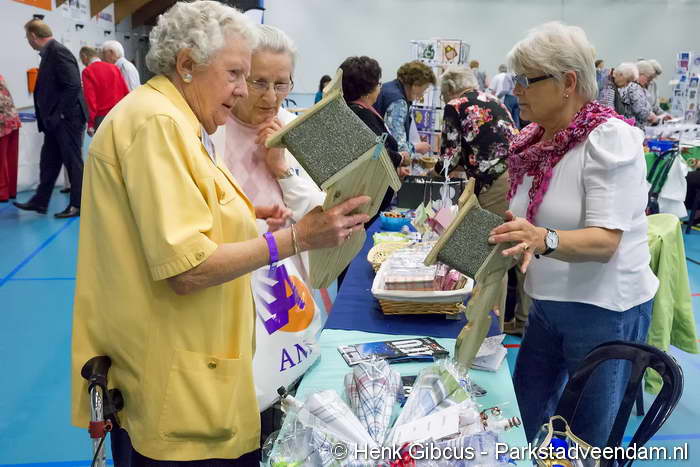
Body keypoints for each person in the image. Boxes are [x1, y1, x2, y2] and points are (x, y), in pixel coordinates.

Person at [70, 2, 370, 464]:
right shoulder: (163, 124)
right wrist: (295, 237)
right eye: (239, 75)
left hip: (226, 358)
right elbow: (187, 266)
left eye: (275, 82)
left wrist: (253, 213)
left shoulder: (185, 121)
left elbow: (187, 217)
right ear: (187, 64)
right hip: (182, 376)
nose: (249, 92)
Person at [489, 21, 658, 448]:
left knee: (583, 437)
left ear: (567, 82)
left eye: (527, 80)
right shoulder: (536, 140)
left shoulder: (609, 139)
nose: (517, 89)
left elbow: (605, 241)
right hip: (548, 303)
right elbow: (529, 219)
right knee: (524, 415)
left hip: (601, 307)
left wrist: (541, 238)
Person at [15, 19, 87, 218]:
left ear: (33, 36)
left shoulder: (58, 52)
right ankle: (40, 201)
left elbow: (73, 85)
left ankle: (78, 204)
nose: (28, 41)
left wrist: (59, 114)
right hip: (56, 122)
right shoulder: (50, 53)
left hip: (66, 120)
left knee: (73, 162)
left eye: (27, 37)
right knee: (49, 161)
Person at [435, 66, 517, 217]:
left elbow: (449, 157)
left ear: (450, 89)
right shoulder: (493, 99)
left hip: (495, 178)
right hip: (517, 171)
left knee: (490, 228)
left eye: (443, 94)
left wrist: (433, 173)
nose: (444, 99)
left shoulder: (455, 105)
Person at [374, 60, 435, 155]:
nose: (422, 94)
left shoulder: (388, 87)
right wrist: (417, 147)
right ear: (415, 85)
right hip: (379, 155)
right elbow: (399, 147)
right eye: (424, 89)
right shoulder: (398, 102)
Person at [79, 46, 129, 136]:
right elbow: (125, 91)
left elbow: (90, 99)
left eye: (81, 59)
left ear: (84, 56)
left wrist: (90, 123)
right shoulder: (114, 67)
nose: (83, 63)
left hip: (102, 117)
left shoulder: (88, 71)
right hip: (119, 114)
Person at [620, 61, 667, 128]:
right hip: (634, 128)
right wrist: (656, 119)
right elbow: (640, 110)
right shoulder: (634, 87)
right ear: (640, 74)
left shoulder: (635, 87)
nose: (648, 82)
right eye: (648, 78)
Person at [0, 74, 21, 202]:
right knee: (10, 158)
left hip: (3, 123)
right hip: (12, 119)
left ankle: (2, 193)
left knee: (2, 160)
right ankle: (11, 191)